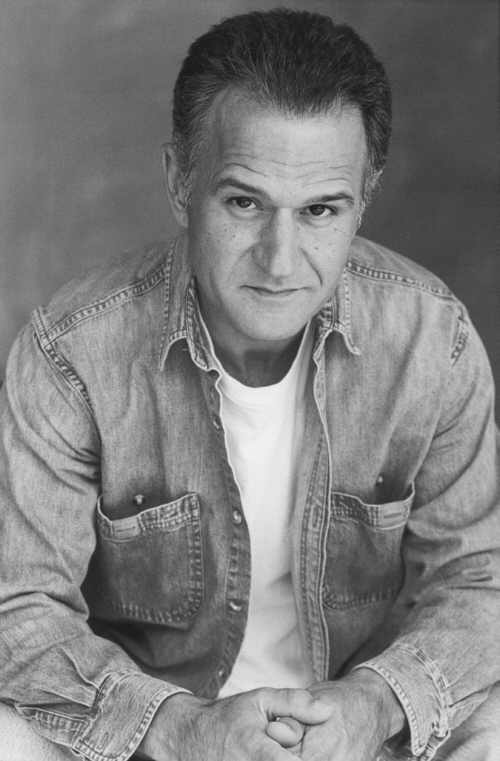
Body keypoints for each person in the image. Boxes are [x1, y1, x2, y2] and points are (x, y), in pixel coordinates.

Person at [0, 8, 498, 761]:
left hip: (363, 735)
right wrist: (181, 728)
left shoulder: (433, 339)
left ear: (366, 196)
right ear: (180, 181)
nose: (279, 260)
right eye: (244, 202)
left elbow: (478, 579)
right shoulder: (71, 354)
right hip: (151, 737)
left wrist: (375, 705)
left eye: (320, 210)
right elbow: (19, 607)